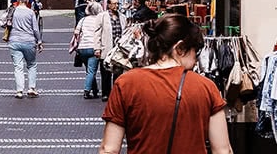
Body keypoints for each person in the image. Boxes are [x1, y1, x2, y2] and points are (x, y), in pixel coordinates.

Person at [99, 14, 233, 154]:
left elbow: (109, 149)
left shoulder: (126, 84)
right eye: (195, 51)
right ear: (180, 48)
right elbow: (223, 150)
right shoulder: (206, 87)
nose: (195, 60)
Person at [5, 0, 43, 98]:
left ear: (18, 0)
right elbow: (35, 28)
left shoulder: (12, 10)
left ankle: (19, 90)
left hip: (14, 41)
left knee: (18, 67)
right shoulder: (30, 12)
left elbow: (2, 22)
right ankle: (31, 88)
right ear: (27, 1)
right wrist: (39, 41)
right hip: (29, 41)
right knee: (31, 65)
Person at [95, 0, 126, 101]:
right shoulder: (102, 16)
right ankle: (106, 93)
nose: (116, 6)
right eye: (114, 4)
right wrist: (97, 48)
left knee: (118, 73)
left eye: (117, 4)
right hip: (106, 48)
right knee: (106, 73)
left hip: (119, 50)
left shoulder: (122, 17)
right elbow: (97, 33)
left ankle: (116, 93)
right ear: (108, 5)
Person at [74, 0, 106, 99]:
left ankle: (95, 90)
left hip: (82, 48)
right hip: (94, 47)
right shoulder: (99, 20)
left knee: (89, 70)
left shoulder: (83, 20)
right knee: (91, 71)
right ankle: (87, 91)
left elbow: (76, 32)